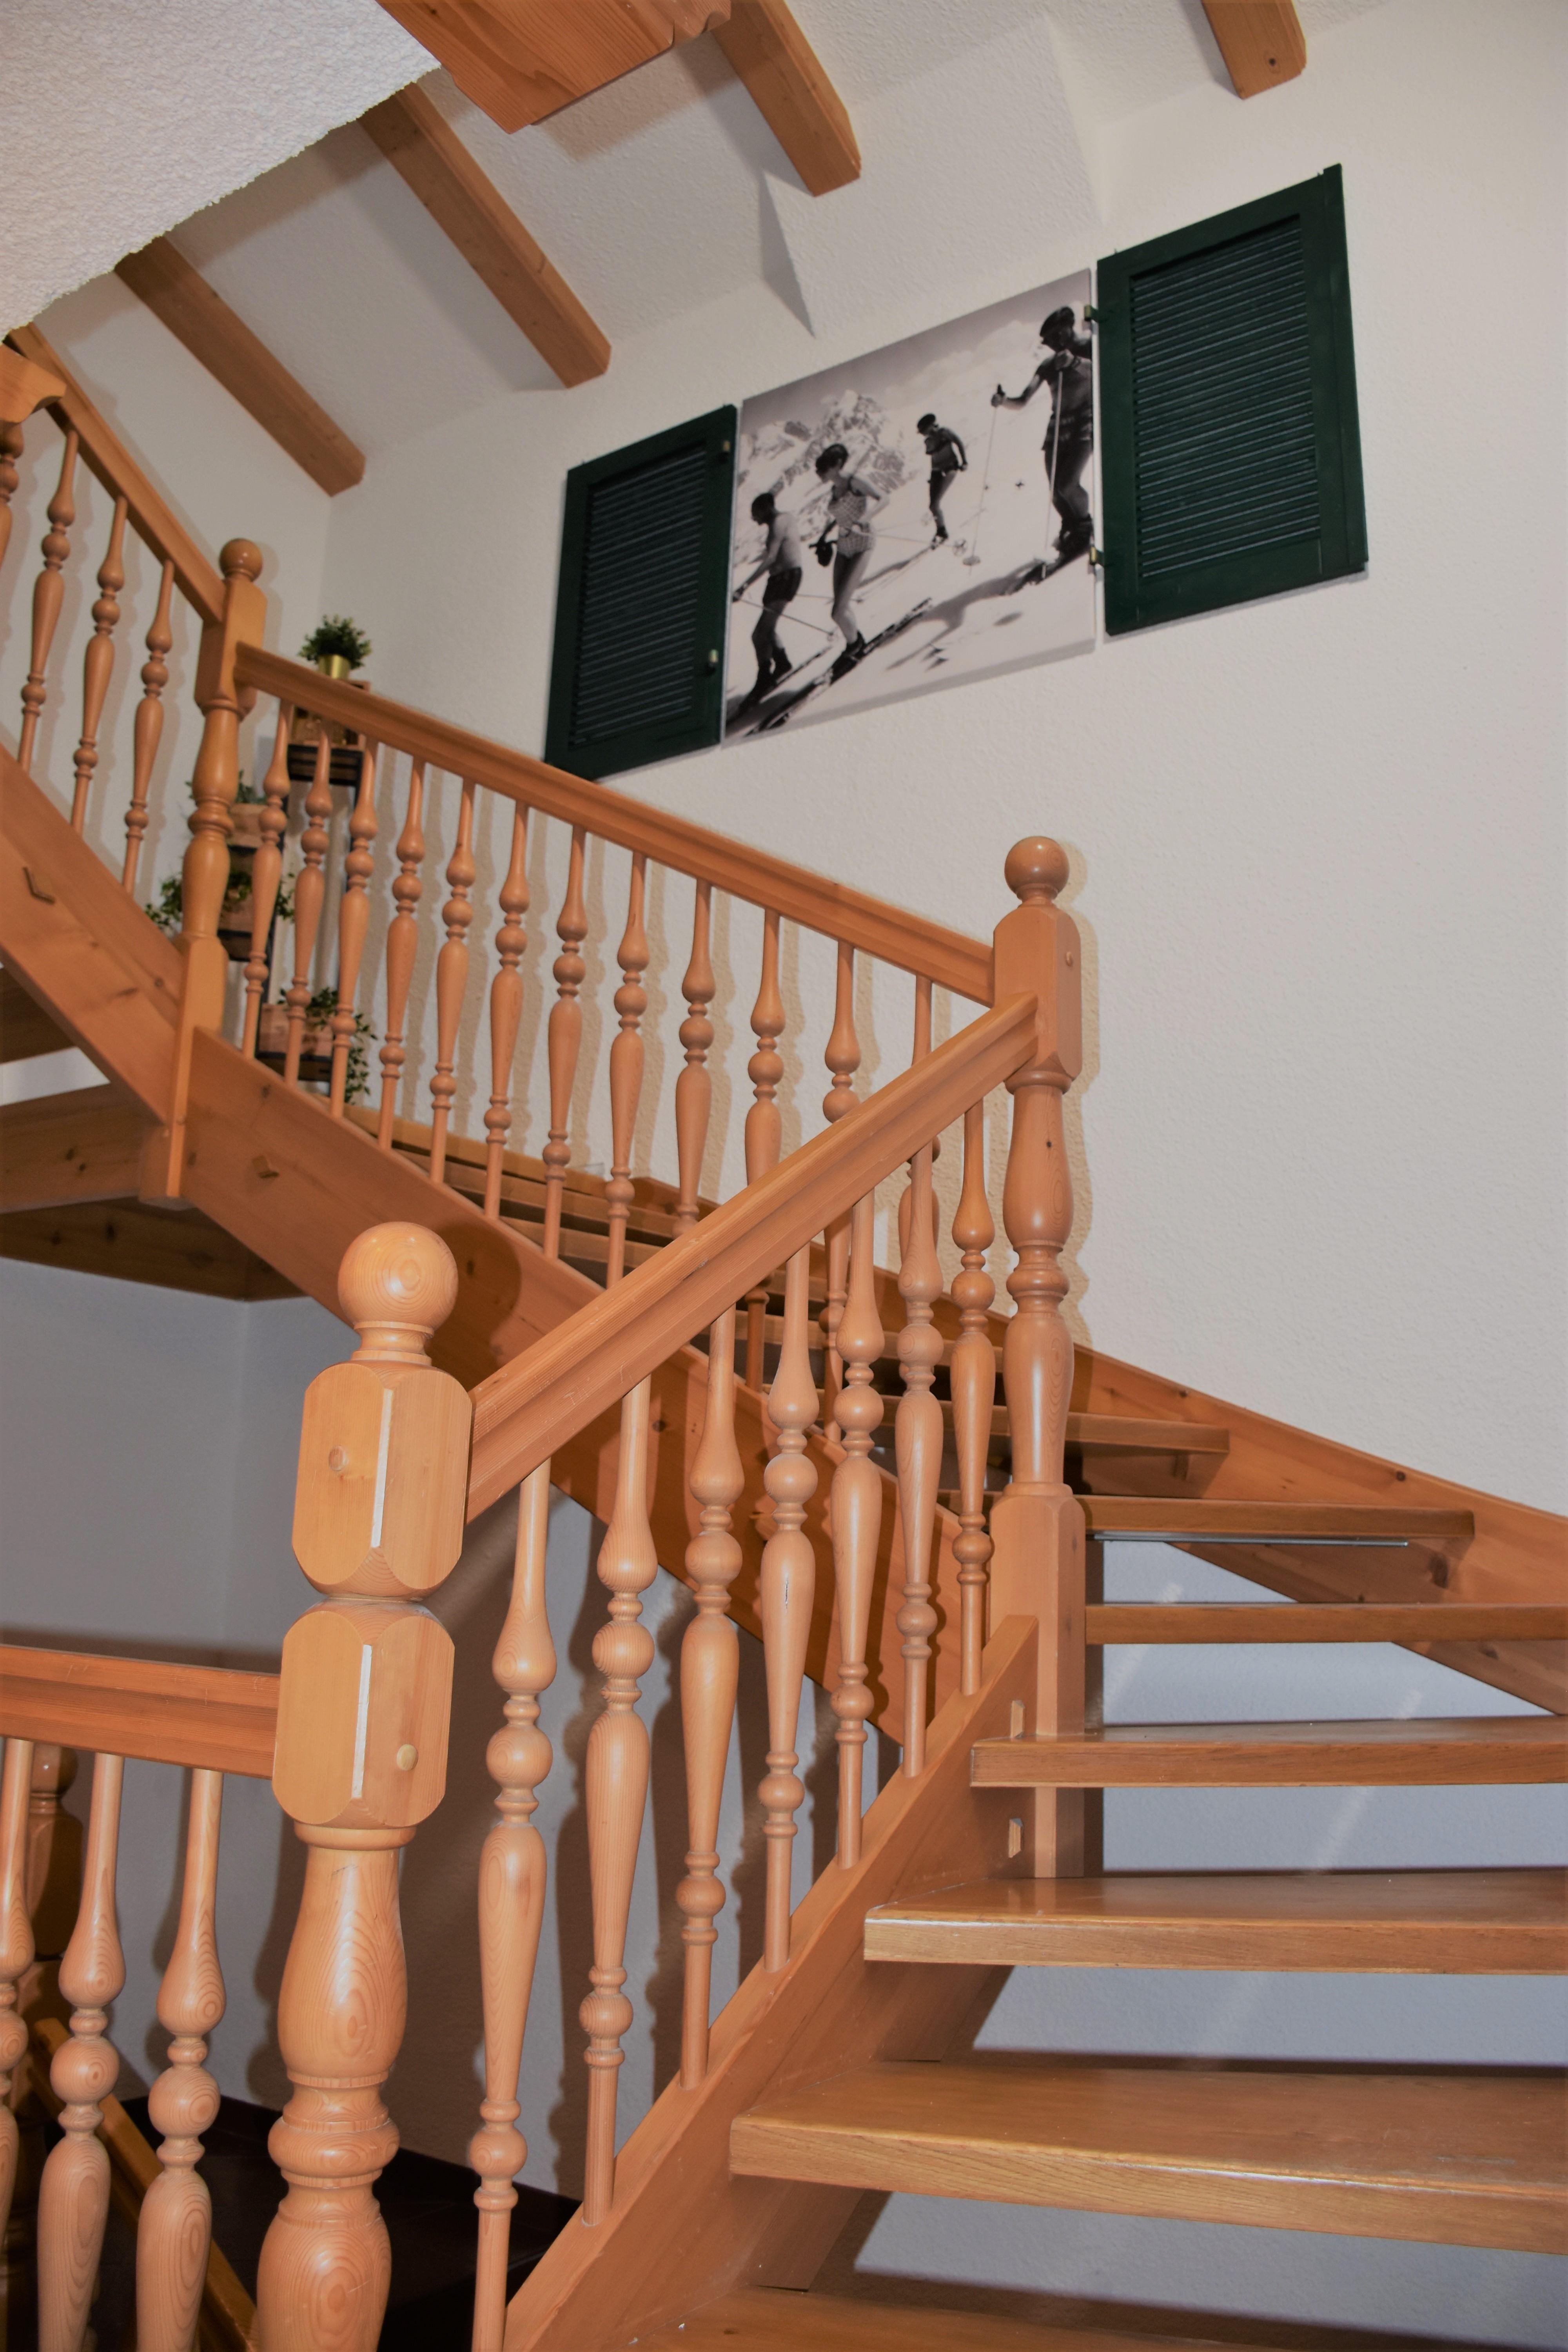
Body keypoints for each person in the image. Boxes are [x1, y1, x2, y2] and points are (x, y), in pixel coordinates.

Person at [992, 305, 1094, 571]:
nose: (1053, 344)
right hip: (1057, 429)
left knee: (1067, 484)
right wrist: (1004, 401)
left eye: (1056, 336)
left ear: (1068, 328)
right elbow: (1023, 400)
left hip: (1085, 422)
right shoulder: (1049, 365)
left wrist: (1075, 363)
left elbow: (1103, 371)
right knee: (1056, 491)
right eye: (1049, 340)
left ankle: (1084, 528)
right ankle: (1071, 527)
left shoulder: (1090, 346)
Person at [813, 442, 885, 678]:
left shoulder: (855, 481)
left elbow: (884, 498)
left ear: (836, 465)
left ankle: (855, 646)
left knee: (838, 611)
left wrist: (864, 519)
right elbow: (841, 515)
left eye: (823, 468)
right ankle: (854, 642)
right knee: (841, 607)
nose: (819, 473)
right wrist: (824, 535)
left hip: (862, 544)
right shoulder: (835, 489)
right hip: (844, 547)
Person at [732, 490, 803, 705]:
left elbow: (771, 558)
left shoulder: (778, 523)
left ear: (766, 509)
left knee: (759, 634)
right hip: (782, 579)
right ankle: (782, 662)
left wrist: (744, 586)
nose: (754, 519)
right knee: (768, 629)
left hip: (784, 579)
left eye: (756, 514)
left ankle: (765, 676)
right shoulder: (784, 519)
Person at [916, 411, 967, 544]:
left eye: (923, 431)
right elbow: (934, 458)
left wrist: (964, 462)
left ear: (930, 427)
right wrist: (932, 477)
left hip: (950, 468)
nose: (923, 434)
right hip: (937, 471)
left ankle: (942, 532)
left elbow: (959, 443)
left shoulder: (945, 432)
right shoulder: (928, 441)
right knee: (933, 506)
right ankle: (941, 531)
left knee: (935, 504)